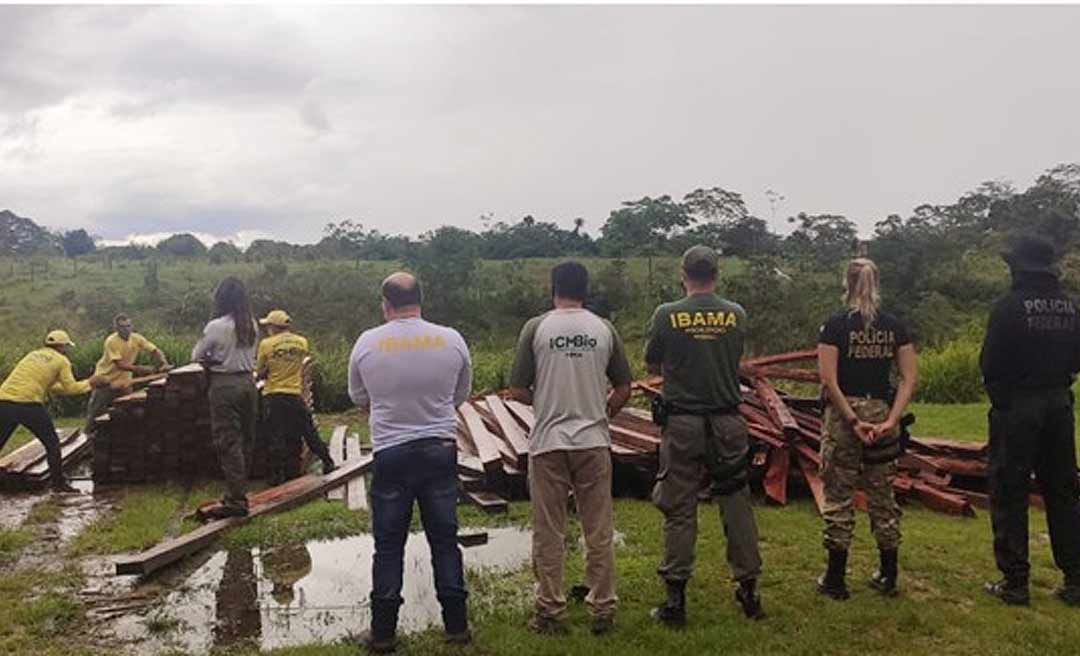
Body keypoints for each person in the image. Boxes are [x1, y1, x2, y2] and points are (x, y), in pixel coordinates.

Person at [348, 272, 473, 652]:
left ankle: (383, 633)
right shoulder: (451, 339)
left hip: (391, 452)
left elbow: (357, 396)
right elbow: (460, 394)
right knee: (445, 540)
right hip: (439, 449)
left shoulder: (368, 342)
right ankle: (456, 627)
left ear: (386, 303)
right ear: (421, 299)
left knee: (388, 545)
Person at [509, 261, 633, 636]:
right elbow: (624, 386)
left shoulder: (536, 328)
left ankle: (550, 611)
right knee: (598, 528)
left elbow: (517, 389)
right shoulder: (603, 328)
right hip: (593, 441)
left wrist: (546, 405)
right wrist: (603, 412)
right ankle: (603, 610)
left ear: (553, 288)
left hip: (548, 443)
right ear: (586, 289)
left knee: (549, 530)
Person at [644, 245, 765, 626]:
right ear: (717, 273)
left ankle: (676, 599)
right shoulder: (736, 314)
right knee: (736, 504)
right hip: (728, 423)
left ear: (683, 274)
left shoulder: (666, 315)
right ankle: (749, 591)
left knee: (679, 506)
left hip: (682, 424)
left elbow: (651, 361)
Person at [980, 234, 1080, 606]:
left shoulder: (1009, 307)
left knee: (1009, 490)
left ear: (1018, 267)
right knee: (1064, 491)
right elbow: (1076, 359)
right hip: (1058, 404)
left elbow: (990, 363)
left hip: (1017, 406)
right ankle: (1075, 579)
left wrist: (1003, 400)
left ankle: (1015, 582)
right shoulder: (1071, 308)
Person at [816, 258, 917, 600]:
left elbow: (829, 380)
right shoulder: (895, 326)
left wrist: (852, 419)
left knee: (838, 494)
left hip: (845, 417)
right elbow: (909, 378)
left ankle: (835, 578)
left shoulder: (834, 326)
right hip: (882, 412)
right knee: (882, 495)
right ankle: (889, 574)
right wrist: (891, 419)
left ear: (847, 283)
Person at [0, 330, 106, 493]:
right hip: (28, 403)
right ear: (62, 346)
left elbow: (52, 386)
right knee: (52, 443)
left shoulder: (32, 355)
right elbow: (71, 388)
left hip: (4, 401)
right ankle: (58, 484)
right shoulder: (61, 360)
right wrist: (91, 383)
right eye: (66, 347)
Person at [192, 277, 259, 520]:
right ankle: (240, 490)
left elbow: (196, 355)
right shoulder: (250, 323)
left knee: (228, 441)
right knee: (246, 439)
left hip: (224, 385)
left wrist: (212, 358)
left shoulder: (216, 326)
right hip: (248, 384)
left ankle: (236, 500)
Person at [256, 309, 336, 484]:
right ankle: (328, 461)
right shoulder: (302, 342)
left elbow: (261, 372)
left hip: (273, 394)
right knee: (307, 431)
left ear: (272, 327)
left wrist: (265, 372)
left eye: (268, 326)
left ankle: (276, 477)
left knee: (275, 435)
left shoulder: (266, 344)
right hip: (294, 394)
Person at [85, 313, 171, 435]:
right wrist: (142, 369)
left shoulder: (136, 338)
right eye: (122, 327)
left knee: (128, 407)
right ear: (116, 328)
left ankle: (125, 435)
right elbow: (120, 365)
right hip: (105, 379)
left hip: (125, 380)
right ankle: (87, 436)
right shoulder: (111, 341)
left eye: (128, 326)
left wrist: (163, 363)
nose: (126, 329)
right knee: (96, 411)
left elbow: (155, 350)